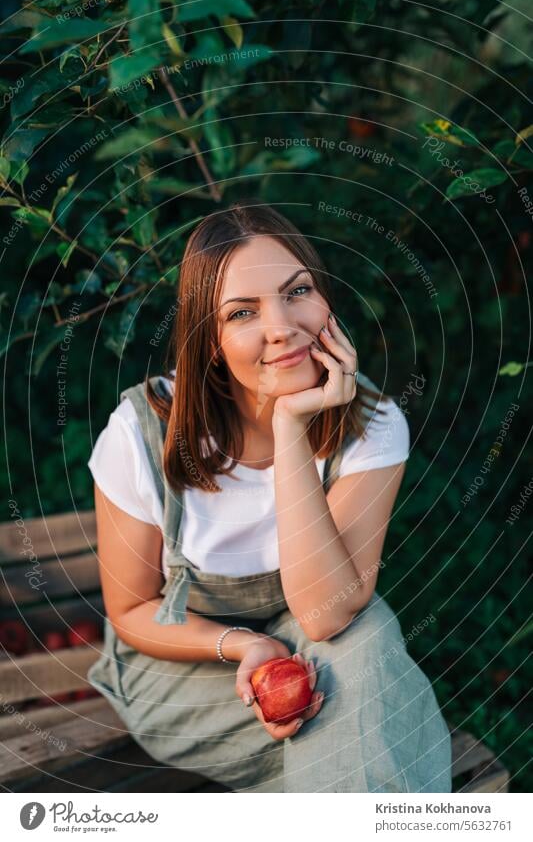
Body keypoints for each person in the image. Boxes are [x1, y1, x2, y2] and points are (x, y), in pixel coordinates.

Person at [87, 200, 452, 793]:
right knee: (364, 711)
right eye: (242, 313)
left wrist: (289, 429)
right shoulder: (139, 432)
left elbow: (325, 612)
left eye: (297, 290)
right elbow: (133, 613)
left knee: (361, 640)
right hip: (184, 662)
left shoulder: (373, 424)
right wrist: (246, 644)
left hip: (320, 643)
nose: (281, 325)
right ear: (209, 341)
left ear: (325, 299)